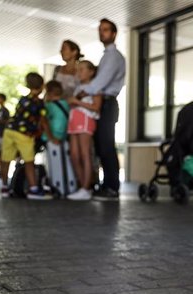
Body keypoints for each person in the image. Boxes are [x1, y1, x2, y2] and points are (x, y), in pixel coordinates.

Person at [78, 18, 125, 201]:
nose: (101, 32)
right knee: (101, 146)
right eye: (100, 29)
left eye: (105, 30)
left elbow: (100, 82)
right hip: (103, 102)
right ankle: (106, 185)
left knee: (106, 146)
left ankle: (112, 187)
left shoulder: (113, 56)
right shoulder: (107, 56)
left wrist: (82, 93)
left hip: (107, 102)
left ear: (113, 33)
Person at [0, 72, 50, 200]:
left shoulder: (23, 99)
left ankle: (4, 187)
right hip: (25, 134)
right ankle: (33, 189)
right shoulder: (39, 103)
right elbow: (43, 121)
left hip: (10, 130)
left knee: (6, 160)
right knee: (29, 162)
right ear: (42, 86)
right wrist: (50, 136)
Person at [67, 62, 102, 201]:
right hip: (73, 120)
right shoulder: (78, 88)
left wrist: (77, 101)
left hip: (85, 120)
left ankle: (86, 187)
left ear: (91, 72)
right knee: (74, 155)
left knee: (84, 154)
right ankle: (83, 186)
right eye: (77, 70)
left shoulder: (96, 87)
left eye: (82, 70)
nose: (79, 72)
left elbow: (96, 107)